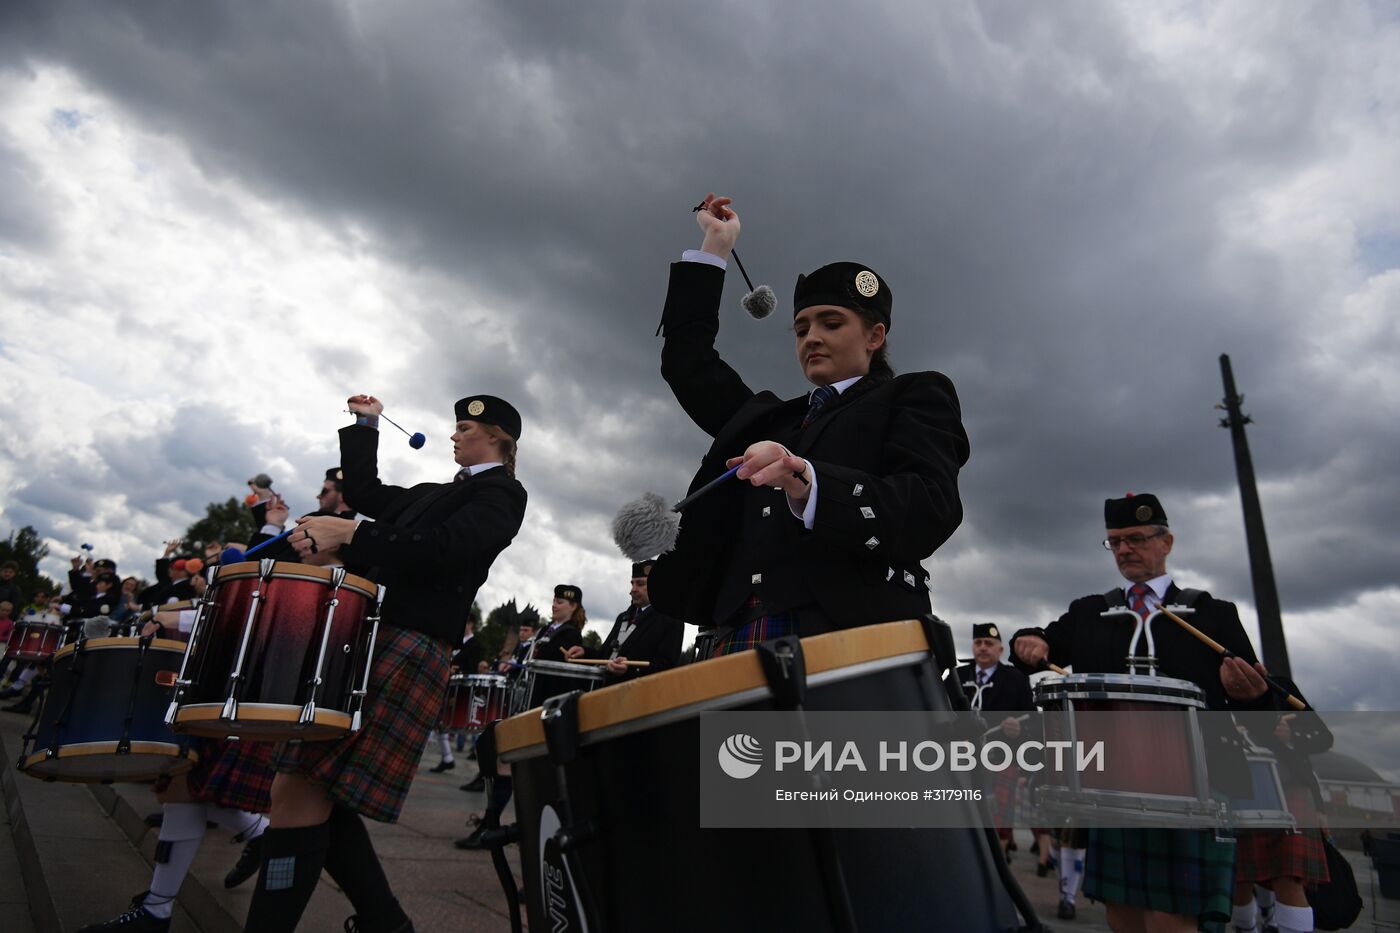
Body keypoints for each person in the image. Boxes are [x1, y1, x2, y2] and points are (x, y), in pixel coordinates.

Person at [243, 392, 527, 933]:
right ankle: (387, 923)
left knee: (302, 786)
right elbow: (367, 492)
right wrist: (365, 426)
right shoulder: (433, 492)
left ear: (498, 437)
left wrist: (353, 534)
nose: (453, 435)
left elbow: (447, 549)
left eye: (465, 429)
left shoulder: (504, 493)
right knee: (320, 791)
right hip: (374, 636)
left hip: (411, 642)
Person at [648, 193, 969, 652]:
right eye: (800, 329)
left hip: (854, 644)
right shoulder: (768, 419)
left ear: (875, 335)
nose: (811, 338)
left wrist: (807, 479)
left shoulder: (915, 396)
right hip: (734, 637)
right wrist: (714, 248)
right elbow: (687, 362)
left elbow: (929, 507)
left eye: (831, 323)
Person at [1011, 493, 1277, 933]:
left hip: (1194, 786)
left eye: (1135, 539)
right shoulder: (1091, 612)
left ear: (1166, 542)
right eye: (1114, 542)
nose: (1123, 550)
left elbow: (1257, 707)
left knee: (1173, 921)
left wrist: (1249, 695)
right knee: (1123, 916)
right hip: (1113, 782)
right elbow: (1037, 646)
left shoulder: (1212, 614)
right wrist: (1029, 640)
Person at [1229, 676, 1332, 933]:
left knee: (1289, 877)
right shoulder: (1209, 684)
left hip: (1288, 791)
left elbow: (1323, 737)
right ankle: (1248, 927)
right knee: (1239, 877)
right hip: (1235, 788)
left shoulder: (1278, 684)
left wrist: (1291, 735)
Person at [956, 622, 1033, 863]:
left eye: (989, 643)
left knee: (997, 822)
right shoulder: (957, 677)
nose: (983, 648)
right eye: (978, 643)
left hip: (1000, 759)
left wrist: (1020, 730)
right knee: (960, 819)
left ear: (1000, 649)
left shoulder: (1016, 678)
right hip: (961, 761)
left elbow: (1031, 717)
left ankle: (995, 871)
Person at [565, 560, 684, 679]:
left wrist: (630, 669)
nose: (633, 589)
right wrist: (584, 653)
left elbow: (666, 666)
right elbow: (604, 655)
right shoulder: (623, 617)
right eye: (632, 584)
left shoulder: (671, 620)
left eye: (640, 584)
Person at [427, 617, 483, 773]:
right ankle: (447, 758)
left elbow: (471, 669)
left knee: (471, 725)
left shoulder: (475, 645)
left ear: (470, 624)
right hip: (448, 685)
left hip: (461, 689)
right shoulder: (455, 641)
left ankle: (454, 757)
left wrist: (456, 671)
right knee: (440, 723)